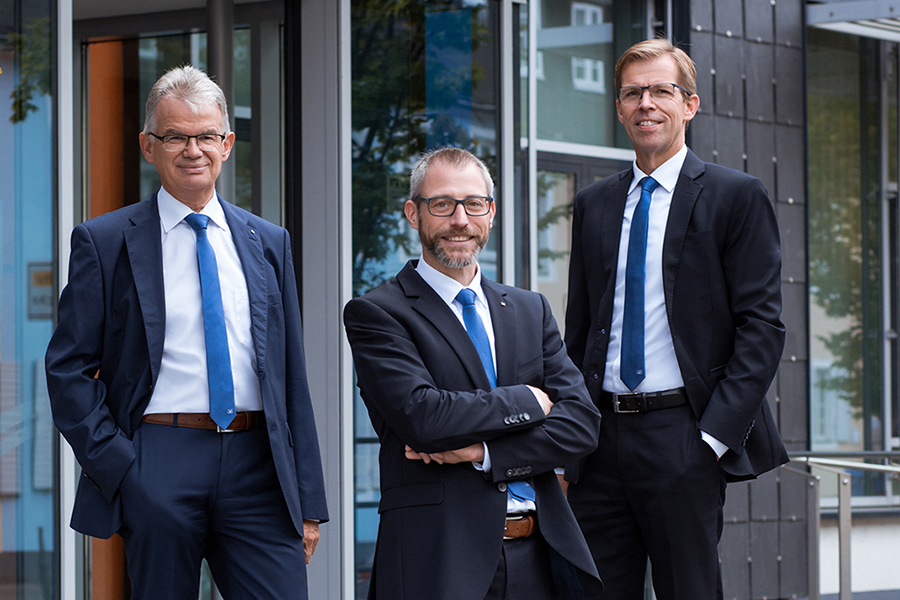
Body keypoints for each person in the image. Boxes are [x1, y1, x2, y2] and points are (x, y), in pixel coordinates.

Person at [45, 66, 328, 599]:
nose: (192, 149)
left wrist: (307, 499)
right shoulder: (103, 241)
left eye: (206, 136)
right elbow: (68, 368)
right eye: (175, 135)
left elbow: (292, 375)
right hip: (158, 457)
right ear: (148, 145)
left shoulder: (268, 242)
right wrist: (122, 467)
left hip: (259, 465)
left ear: (227, 144)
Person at [563, 39, 788, 600]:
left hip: (683, 437)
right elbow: (580, 327)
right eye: (633, 93)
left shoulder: (736, 197)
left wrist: (711, 439)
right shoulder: (593, 204)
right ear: (618, 108)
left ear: (689, 105)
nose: (647, 104)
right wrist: (570, 437)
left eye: (661, 91)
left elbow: (762, 328)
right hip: (599, 441)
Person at [344, 147, 602, 600]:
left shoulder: (529, 309)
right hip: (439, 561)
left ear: (491, 212)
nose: (460, 219)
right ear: (413, 213)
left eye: (473, 204)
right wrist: (527, 400)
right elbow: (423, 417)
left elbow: (582, 424)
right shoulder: (378, 313)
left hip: (540, 557)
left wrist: (481, 450)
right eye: (442, 204)